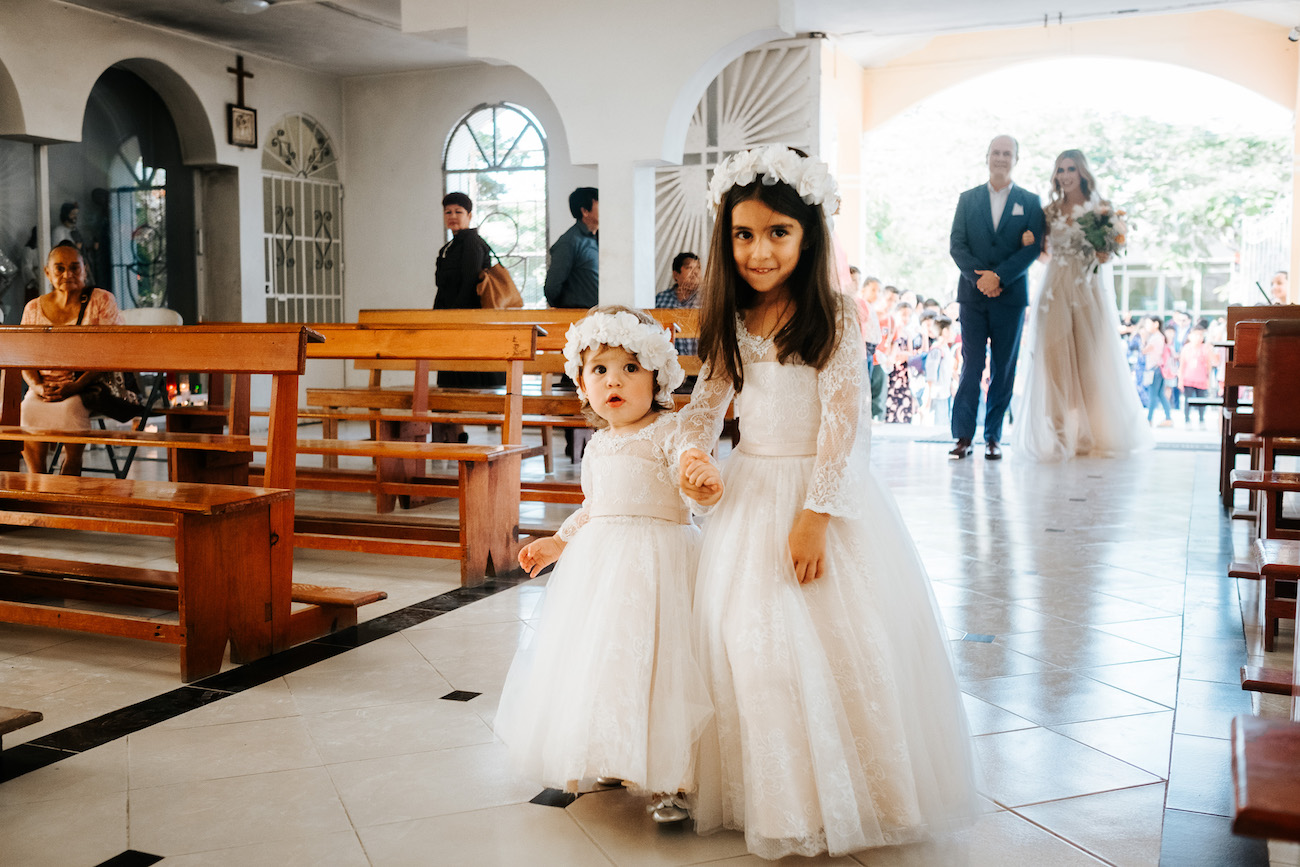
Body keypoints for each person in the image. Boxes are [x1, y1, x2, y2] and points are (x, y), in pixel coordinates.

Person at [677, 144, 977, 860]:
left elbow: (846, 426)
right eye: (744, 234)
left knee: (845, 647)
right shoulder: (730, 320)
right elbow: (701, 409)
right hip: (749, 495)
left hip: (820, 502)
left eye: (778, 232)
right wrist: (691, 457)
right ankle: (774, 797)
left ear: (809, 235)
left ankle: (865, 793)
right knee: (752, 646)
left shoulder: (835, 316)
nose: (759, 250)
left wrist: (815, 514)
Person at [495, 306, 720, 824]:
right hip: (604, 568)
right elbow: (595, 507)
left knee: (667, 666)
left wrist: (697, 470)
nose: (613, 381)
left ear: (657, 377)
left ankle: (676, 777)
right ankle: (616, 753)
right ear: (583, 384)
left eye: (629, 369)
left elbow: (691, 459)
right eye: (600, 370)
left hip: (663, 562)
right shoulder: (598, 444)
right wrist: (559, 540)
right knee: (611, 663)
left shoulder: (668, 429)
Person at [1011, 149, 1153, 461]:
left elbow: (1109, 250)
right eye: (1060, 169)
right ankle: (1061, 435)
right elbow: (1044, 252)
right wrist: (1031, 248)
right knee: (1054, 362)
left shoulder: (1101, 210)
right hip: (1054, 290)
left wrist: (1106, 250)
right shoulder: (1049, 211)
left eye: (1070, 168)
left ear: (1082, 172)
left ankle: (1090, 434)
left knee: (1090, 362)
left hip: (1088, 289)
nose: (1064, 175)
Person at [948, 134, 1045, 460]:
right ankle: (963, 437)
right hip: (973, 297)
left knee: (1004, 369)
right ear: (987, 156)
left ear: (1016, 158)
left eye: (1007, 153)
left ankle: (993, 437)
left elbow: (1032, 248)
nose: (1001, 158)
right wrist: (981, 278)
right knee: (971, 366)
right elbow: (957, 245)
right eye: (996, 152)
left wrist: (999, 277)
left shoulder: (1030, 202)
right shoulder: (967, 199)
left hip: (1011, 297)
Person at [20, 242, 126, 475]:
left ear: (84, 270)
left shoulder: (101, 300)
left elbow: (112, 352)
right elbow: (24, 358)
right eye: (59, 268)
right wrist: (38, 386)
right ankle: (39, 482)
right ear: (47, 273)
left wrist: (75, 385)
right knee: (27, 409)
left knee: (69, 409)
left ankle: (71, 475)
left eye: (74, 267)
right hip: (44, 386)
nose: (67, 274)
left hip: (87, 384)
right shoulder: (33, 308)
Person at [433, 192, 503, 391]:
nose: (452, 216)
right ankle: (450, 420)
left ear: (469, 215)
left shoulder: (472, 243)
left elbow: (469, 283)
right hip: (450, 319)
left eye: (458, 211)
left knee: (466, 380)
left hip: (464, 320)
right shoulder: (450, 247)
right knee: (450, 379)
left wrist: (456, 317)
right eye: (448, 212)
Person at [543, 187, 599, 308]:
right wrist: (566, 313)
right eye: (600, 205)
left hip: (601, 317)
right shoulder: (569, 242)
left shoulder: (598, 238)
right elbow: (552, 288)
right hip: (579, 318)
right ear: (585, 211)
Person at [655, 251, 702, 356]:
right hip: (668, 366)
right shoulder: (660, 299)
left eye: (698, 268)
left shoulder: (706, 301)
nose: (696, 273)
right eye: (689, 268)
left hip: (698, 367)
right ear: (676, 274)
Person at [1179, 325, 1215, 425]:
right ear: (1190, 336)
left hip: (1202, 379)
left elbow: (1209, 365)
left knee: (1201, 401)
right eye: (1196, 335)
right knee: (1188, 400)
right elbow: (1182, 365)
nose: (1198, 337)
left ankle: (1201, 418)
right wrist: (1180, 380)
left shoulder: (1205, 349)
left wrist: (1208, 379)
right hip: (1188, 379)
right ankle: (1187, 418)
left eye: (1200, 335)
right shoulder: (1186, 348)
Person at [1142, 315, 1173, 426]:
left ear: (1156, 324)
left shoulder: (1156, 338)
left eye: (1148, 323)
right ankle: (1168, 418)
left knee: (1152, 395)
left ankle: (1149, 419)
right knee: (1160, 394)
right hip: (1158, 369)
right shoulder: (1159, 337)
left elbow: (1144, 351)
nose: (1147, 326)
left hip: (1154, 369)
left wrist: (1142, 338)